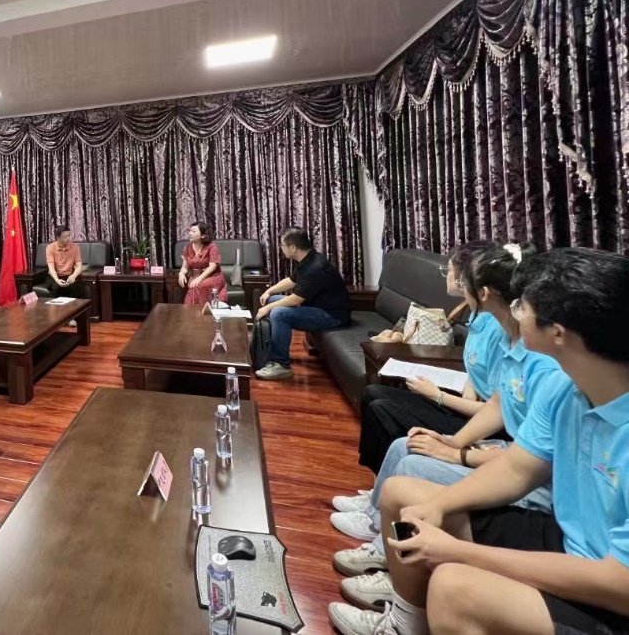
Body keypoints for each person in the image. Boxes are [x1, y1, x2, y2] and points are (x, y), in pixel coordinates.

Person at [329, 248, 629, 635]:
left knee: (454, 586)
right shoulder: (568, 388)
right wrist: (438, 505)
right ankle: (404, 624)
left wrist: (461, 552)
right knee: (403, 494)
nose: (515, 313)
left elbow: (618, 584)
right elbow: (518, 468)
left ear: (558, 333)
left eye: (523, 306)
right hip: (570, 541)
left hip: (612, 588)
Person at [355, 243, 504, 477]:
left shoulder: (499, 329)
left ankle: (394, 477)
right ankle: (380, 478)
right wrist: (468, 389)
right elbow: (476, 368)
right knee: (372, 392)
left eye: (449, 270)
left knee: (381, 408)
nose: (446, 275)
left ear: (465, 280)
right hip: (467, 406)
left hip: (483, 424)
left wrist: (437, 395)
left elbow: (496, 409)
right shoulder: (477, 315)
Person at [255, 227, 350, 380]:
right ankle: (269, 351)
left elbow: (296, 299)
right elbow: (291, 281)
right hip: (316, 307)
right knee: (272, 300)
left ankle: (281, 365)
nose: (281, 248)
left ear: (293, 248)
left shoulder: (316, 267)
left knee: (279, 313)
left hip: (332, 315)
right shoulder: (307, 260)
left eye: (282, 245)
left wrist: (268, 308)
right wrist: (269, 291)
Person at [179, 221, 227, 306]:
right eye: (190, 231)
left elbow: (213, 266)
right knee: (194, 286)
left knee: (198, 286)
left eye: (193, 231)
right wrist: (181, 273)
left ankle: (202, 311)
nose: (190, 233)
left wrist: (199, 279)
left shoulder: (211, 247)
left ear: (203, 235)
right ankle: (190, 312)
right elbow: (185, 266)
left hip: (213, 276)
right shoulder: (187, 248)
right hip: (195, 276)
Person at [44, 225, 84, 297]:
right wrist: (57, 280)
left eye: (69, 235)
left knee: (76, 288)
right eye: (65, 237)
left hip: (69, 275)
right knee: (56, 287)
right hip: (54, 276)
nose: (68, 239)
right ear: (58, 238)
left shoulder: (75, 247)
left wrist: (73, 276)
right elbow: (51, 268)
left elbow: (79, 266)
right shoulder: (50, 248)